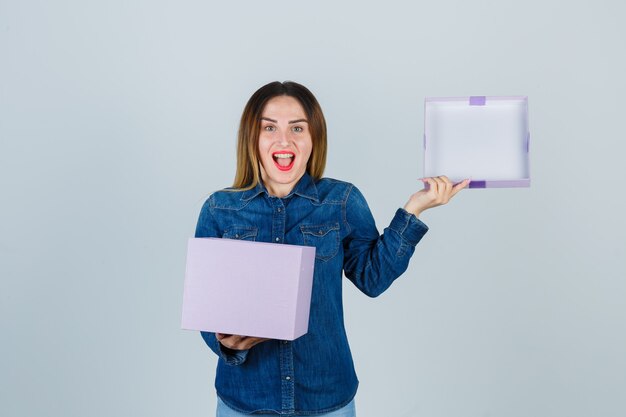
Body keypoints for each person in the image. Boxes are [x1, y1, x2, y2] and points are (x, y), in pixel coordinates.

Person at [194, 81, 469, 417]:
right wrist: (224, 343)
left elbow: (373, 279)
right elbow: (206, 311)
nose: (284, 140)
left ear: (314, 139)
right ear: (252, 137)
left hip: (326, 399)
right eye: (269, 127)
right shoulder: (219, 209)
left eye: (297, 127)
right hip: (245, 401)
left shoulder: (342, 201)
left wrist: (414, 210)